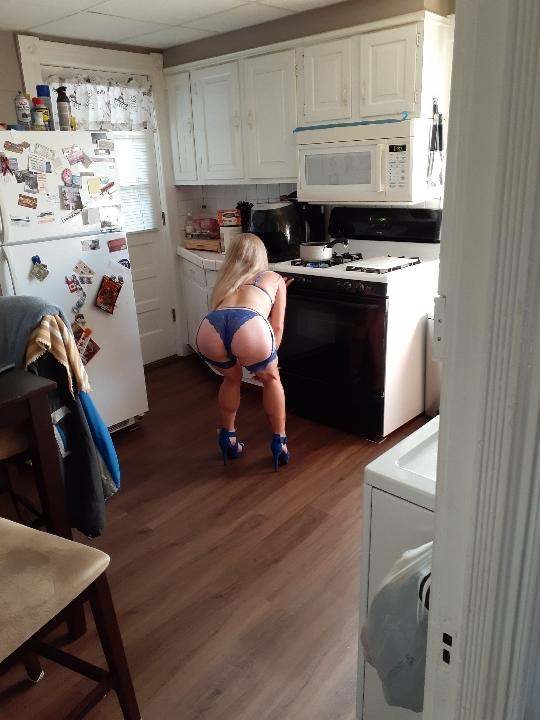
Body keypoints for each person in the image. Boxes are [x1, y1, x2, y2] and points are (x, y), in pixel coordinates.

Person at [196, 233, 292, 471]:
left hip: (211, 327)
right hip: (250, 324)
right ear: (261, 255)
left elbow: (229, 313)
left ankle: (227, 436)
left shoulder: (226, 281)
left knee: (232, 378)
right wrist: (269, 362)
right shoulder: (274, 278)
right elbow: (277, 327)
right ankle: (279, 443)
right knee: (272, 379)